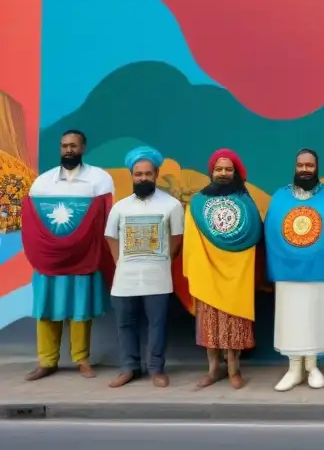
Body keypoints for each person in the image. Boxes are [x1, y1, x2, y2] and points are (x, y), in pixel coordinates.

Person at [22, 130, 115, 381]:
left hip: (85, 256)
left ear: (83, 147)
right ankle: (47, 361)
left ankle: (81, 359)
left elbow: (105, 218)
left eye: (73, 145)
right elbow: (32, 220)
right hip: (49, 258)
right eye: (64, 146)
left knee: (80, 309)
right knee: (46, 308)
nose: (68, 150)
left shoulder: (100, 179)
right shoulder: (42, 182)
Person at [264, 148, 324, 392]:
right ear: (295, 167)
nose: (304, 169)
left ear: (317, 168)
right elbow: (272, 228)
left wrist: (316, 251)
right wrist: (291, 254)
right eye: (300, 165)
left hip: (318, 270)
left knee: (314, 319)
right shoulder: (280, 196)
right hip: (287, 270)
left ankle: (312, 367)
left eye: (309, 165)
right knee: (291, 320)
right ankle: (293, 369)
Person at [183, 149, 264, 389]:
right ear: (212, 172)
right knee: (210, 325)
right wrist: (201, 264)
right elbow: (192, 237)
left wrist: (238, 262)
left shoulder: (246, 202)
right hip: (207, 269)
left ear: (235, 172)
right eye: (219, 169)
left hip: (237, 272)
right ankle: (212, 370)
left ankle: (234, 369)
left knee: (234, 324)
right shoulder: (198, 202)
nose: (223, 173)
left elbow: (253, 235)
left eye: (229, 169)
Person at [104, 145, 184, 388]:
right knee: (125, 323)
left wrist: (162, 260)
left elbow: (177, 238)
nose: (143, 178)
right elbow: (110, 237)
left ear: (156, 174)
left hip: (157, 276)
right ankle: (129, 368)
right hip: (125, 277)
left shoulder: (171, 205)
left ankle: (156, 369)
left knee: (157, 323)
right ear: (131, 175)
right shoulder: (120, 207)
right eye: (138, 174)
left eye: (148, 174)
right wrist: (120, 262)